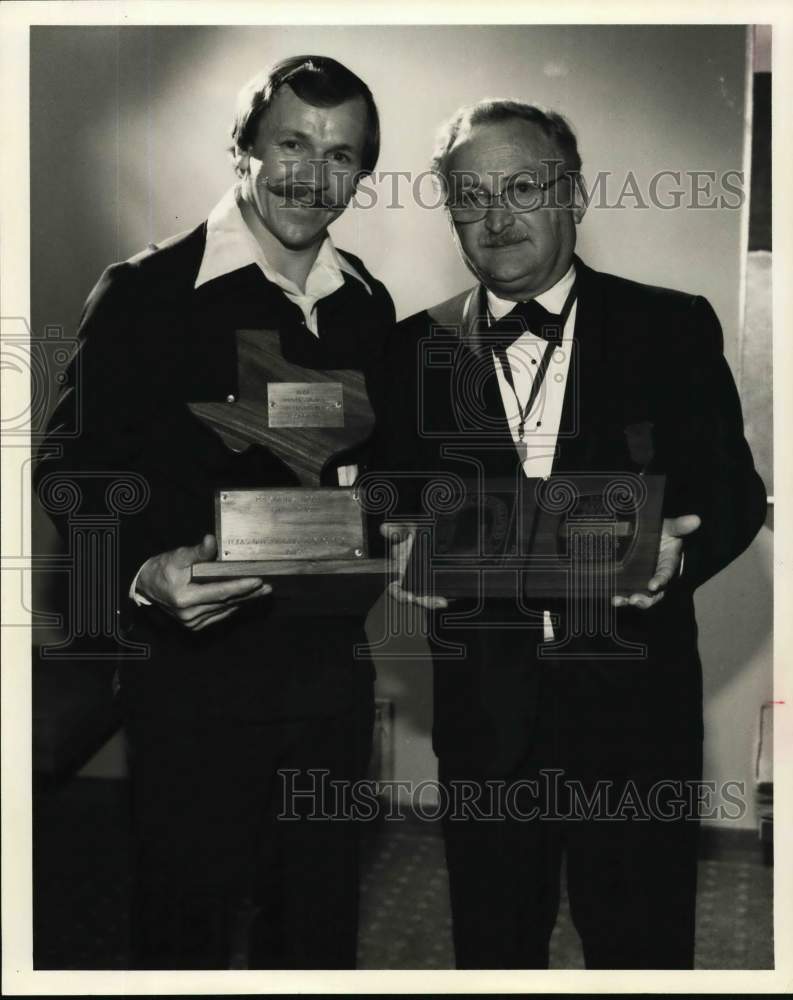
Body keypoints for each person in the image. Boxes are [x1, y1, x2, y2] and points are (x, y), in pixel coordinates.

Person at [381, 100, 767, 969]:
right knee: (492, 950)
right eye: (470, 196)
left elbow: (734, 495)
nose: (496, 216)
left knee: (641, 952)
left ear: (576, 195)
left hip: (634, 717)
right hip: (484, 722)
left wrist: (679, 552)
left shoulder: (668, 326)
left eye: (522, 186)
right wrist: (396, 534)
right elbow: (389, 497)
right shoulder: (413, 347)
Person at [35, 55, 394, 969]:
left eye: (342, 155)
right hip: (193, 683)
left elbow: (369, 474)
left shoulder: (365, 303)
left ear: (361, 174)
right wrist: (141, 569)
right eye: (291, 144)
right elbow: (71, 469)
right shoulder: (146, 293)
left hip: (329, 686)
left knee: (314, 938)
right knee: (180, 936)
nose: (314, 175)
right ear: (242, 148)